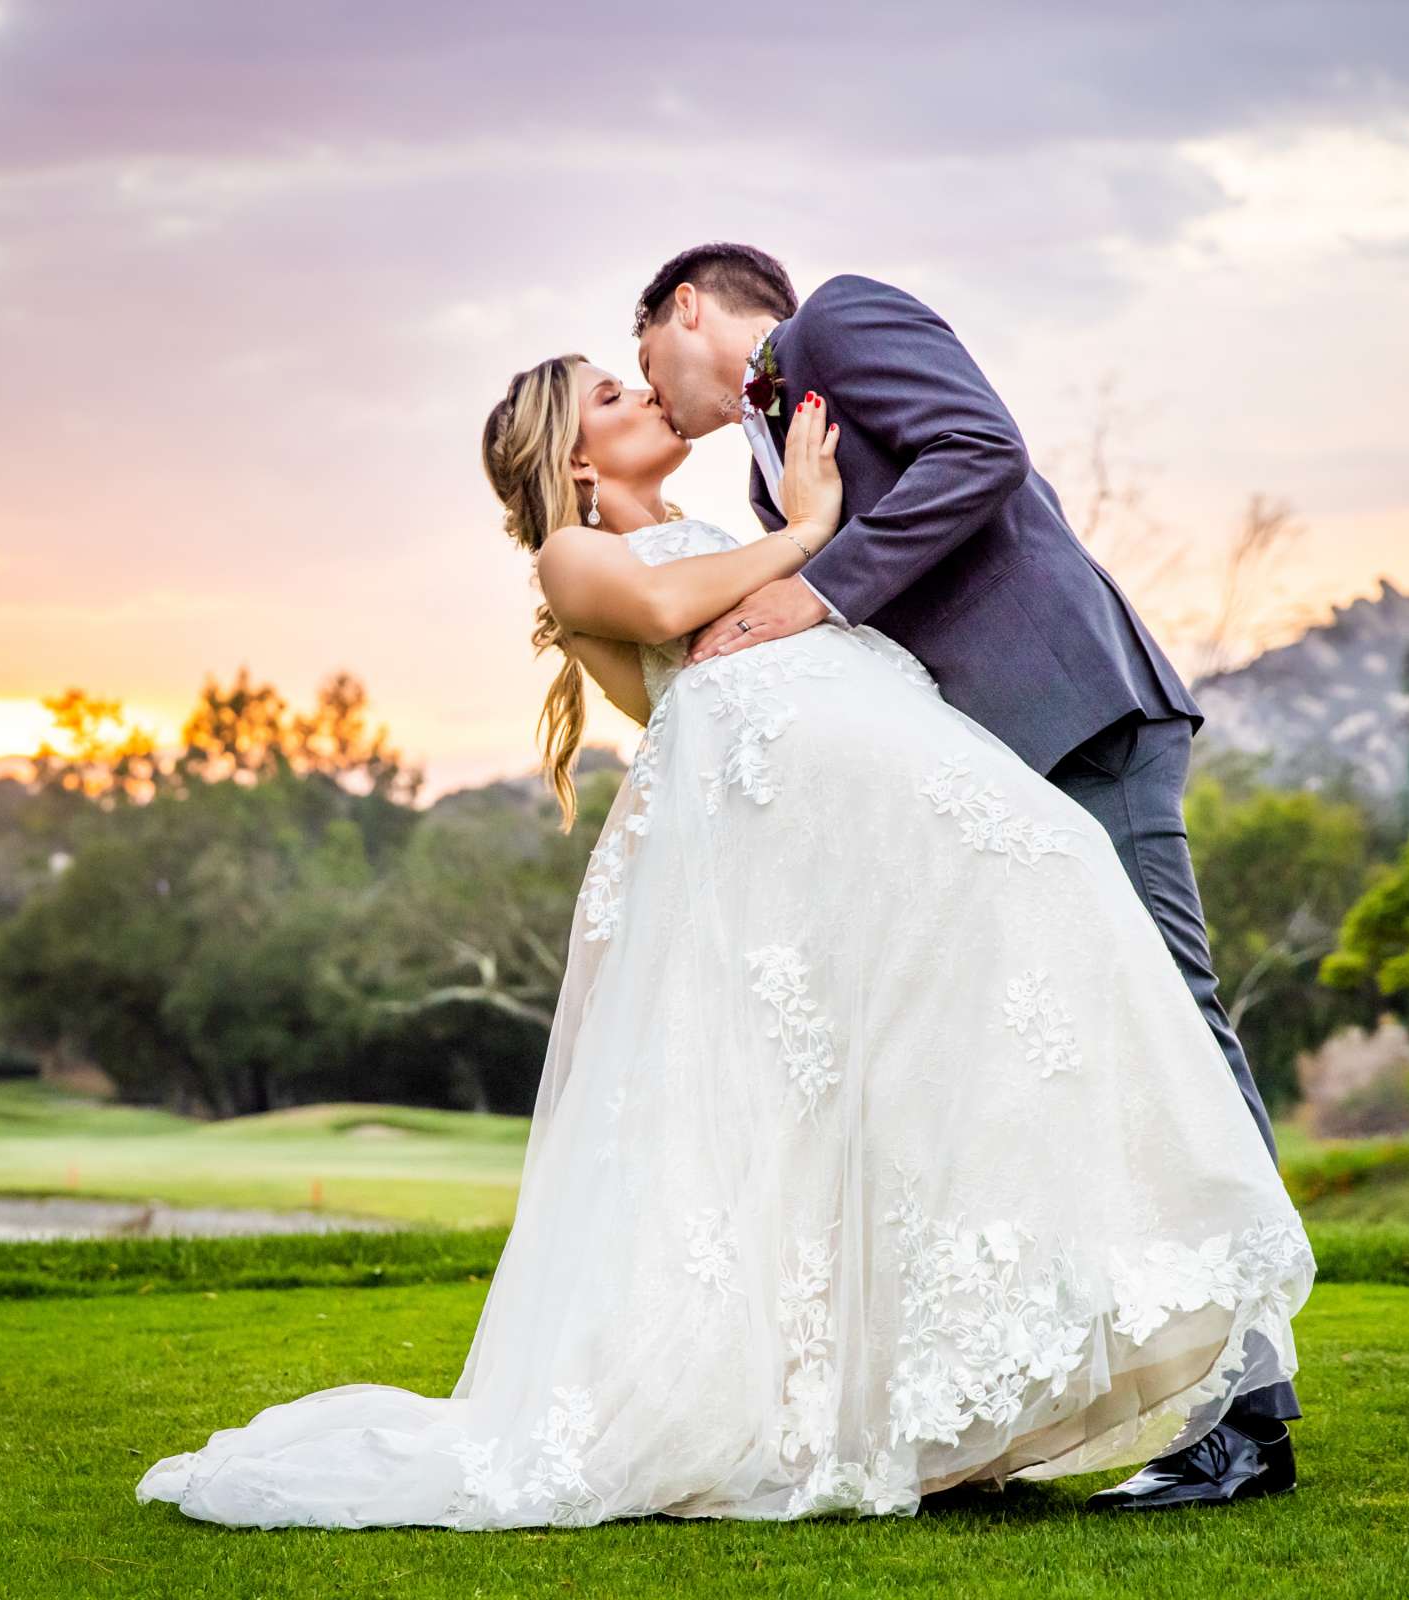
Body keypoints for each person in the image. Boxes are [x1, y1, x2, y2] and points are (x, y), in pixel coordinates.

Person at [133, 292, 1312, 1536]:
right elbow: (682, 646)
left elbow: (940, 508)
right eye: (610, 391)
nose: (639, 392)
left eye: (634, 369)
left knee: (1051, 1002)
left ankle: (1182, 1366)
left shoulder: (747, 487)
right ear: (571, 458)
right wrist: (809, 528)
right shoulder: (583, 553)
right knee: (934, 1050)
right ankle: (1136, 1385)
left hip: (953, 782)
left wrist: (810, 537)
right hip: (827, 840)